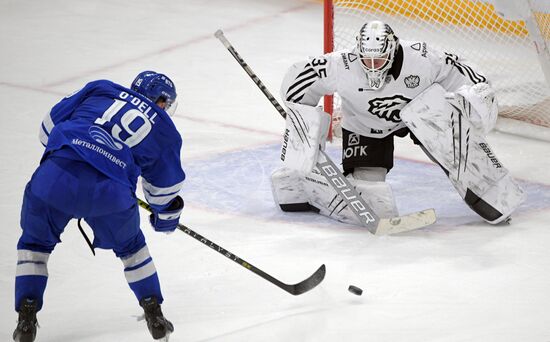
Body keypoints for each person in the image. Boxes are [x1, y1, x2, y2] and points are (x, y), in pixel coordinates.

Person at [271, 20, 524, 226]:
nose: (372, 68)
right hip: (365, 125)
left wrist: (469, 101)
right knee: (370, 200)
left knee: (446, 125)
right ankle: (304, 188)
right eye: (366, 60)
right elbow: (299, 77)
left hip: (421, 117)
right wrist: (302, 123)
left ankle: (488, 186)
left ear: (391, 51)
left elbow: (472, 78)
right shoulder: (342, 64)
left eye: (378, 61)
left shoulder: (423, 58)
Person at [13, 71, 185, 341]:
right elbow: (162, 194)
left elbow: (47, 130)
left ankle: (26, 318)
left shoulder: (102, 89)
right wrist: (165, 220)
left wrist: (74, 156)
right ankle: (154, 313)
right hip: (110, 195)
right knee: (132, 250)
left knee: (34, 246)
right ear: (162, 101)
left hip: (54, 178)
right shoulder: (165, 129)